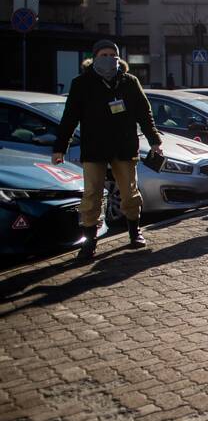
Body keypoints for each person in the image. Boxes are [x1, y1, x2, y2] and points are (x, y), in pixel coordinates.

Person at [52, 39, 163, 261]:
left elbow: (144, 112)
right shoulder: (81, 83)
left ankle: (134, 232)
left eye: (112, 54)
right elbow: (69, 118)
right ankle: (89, 241)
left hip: (124, 146)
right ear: (94, 57)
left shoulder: (129, 82)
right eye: (103, 54)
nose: (109, 58)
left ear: (118, 58)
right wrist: (60, 148)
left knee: (129, 192)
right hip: (94, 147)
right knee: (91, 194)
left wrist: (154, 140)